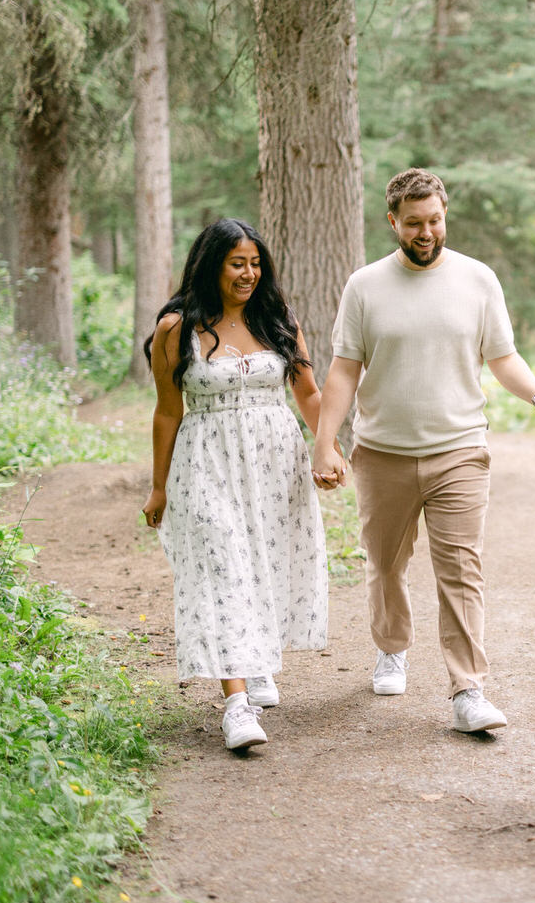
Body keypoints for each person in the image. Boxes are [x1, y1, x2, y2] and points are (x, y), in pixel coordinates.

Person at [311, 167, 535, 733]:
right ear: (393, 222)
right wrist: (325, 443)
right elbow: (344, 370)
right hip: (382, 453)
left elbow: (503, 358)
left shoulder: (478, 280)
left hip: (459, 451)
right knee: (385, 564)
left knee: (460, 569)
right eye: (413, 224)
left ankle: (468, 689)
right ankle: (392, 646)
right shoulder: (365, 286)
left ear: (445, 215)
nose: (426, 233)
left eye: (435, 221)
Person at [142, 218, 329, 752]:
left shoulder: (278, 321)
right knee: (223, 566)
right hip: (207, 463)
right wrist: (159, 488)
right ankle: (236, 705)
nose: (249, 273)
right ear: (211, 265)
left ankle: (258, 659)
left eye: (255, 263)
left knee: (265, 563)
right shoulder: (178, 328)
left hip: (275, 465)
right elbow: (166, 413)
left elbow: (310, 394)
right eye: (236, 263)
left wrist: (328, 446)